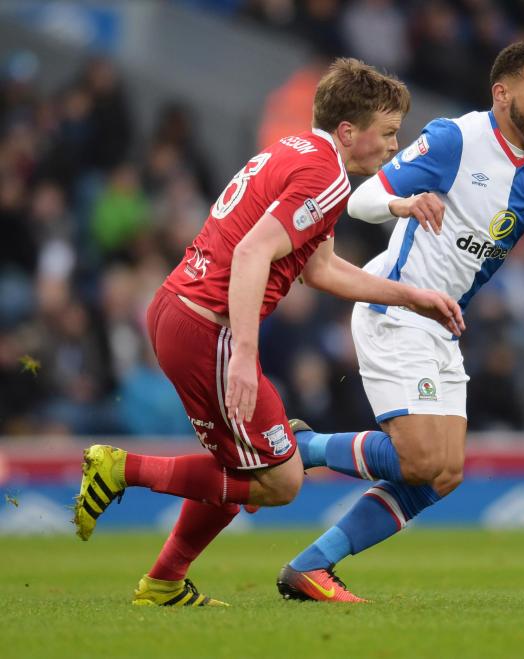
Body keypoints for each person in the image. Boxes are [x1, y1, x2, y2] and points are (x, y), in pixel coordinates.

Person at [276, 42, 524, 603]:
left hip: (445, 324)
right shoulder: (456, 139)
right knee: (419, 459)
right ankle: (305, 449)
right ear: (502, 92)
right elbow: (362, 199)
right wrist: (405, 203)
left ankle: (310, 566)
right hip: (395, 308)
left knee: (442, 475)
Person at [72, 58, 465, 607]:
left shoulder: (298, 153)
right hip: (209, 327)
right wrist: (242, 356)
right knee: (280, 482)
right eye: (390, 132)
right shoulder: (324, 175)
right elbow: (253, 250)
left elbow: (320, 270)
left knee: (244, 470)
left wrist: (413, 296)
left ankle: (163, 582)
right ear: (349, 131)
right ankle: (122, 468)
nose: (394, 148)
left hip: (182, 313)